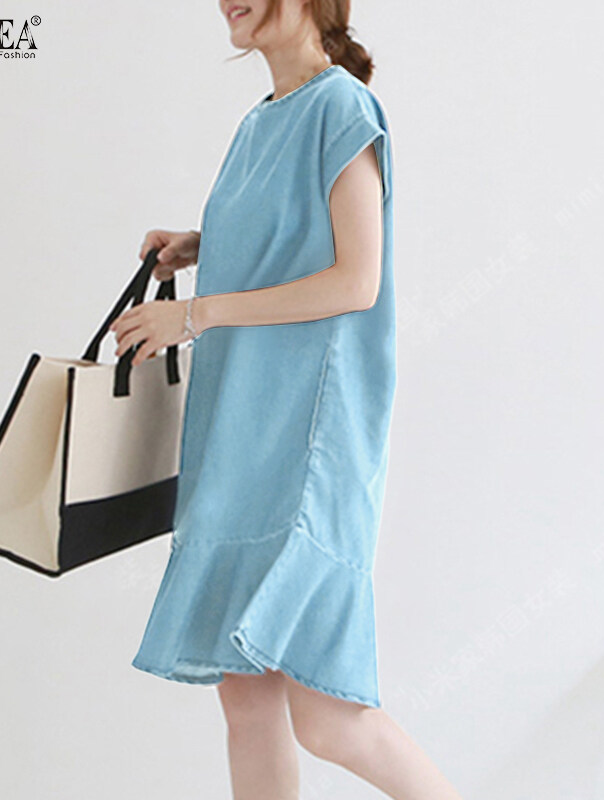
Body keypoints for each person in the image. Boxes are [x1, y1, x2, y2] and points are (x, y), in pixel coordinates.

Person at [111, 1, 463, 798]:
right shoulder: (260, 122)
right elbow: (293, 241)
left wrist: (194, 315)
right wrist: (201, 247)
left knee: (329, 718)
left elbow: (356, 279)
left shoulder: (341, 106)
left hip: (309, 441)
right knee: (246, 699)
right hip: (242, 432)